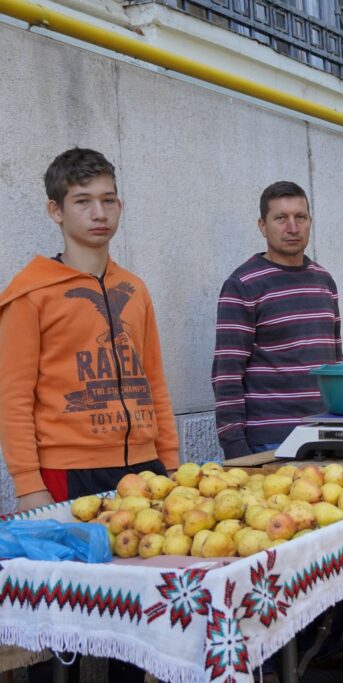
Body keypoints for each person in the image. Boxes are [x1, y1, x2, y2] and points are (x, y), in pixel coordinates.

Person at [0, 148, 179, 682]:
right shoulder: (29, 296)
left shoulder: (136, 289)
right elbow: (12, 399)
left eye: (107, 200)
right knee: (61, 618)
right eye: (82, 202)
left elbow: (156, 383)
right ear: (57, 212)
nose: (98, 214)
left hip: (141, 471)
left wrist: (168, 464)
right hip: (64, 471)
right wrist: (28, 485)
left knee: (139, 610)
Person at [212, 181, 343, 457]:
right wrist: (236, 448)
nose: (293, 228)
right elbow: (227, 373)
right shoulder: (243, 284)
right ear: (262, 226)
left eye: (300, 217)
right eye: (281, 218)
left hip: (326, 434)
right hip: (270, 444)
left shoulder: (324, 281)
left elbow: (336, 365)